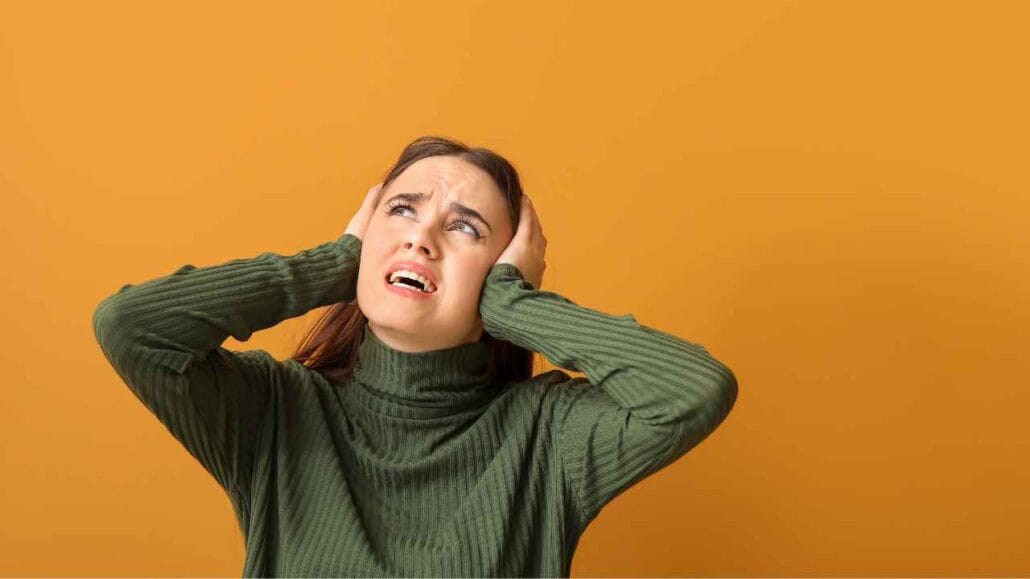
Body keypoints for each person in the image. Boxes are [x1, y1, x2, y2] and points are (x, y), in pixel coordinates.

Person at [92, 135, 739, 577]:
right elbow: (133, 327)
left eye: (465, 227)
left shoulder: (549, 436)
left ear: (502, 272)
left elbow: (694, 388)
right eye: (401, 210)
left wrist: (515, 304)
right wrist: (338, 261)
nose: (421, 236)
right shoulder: (275, 411)